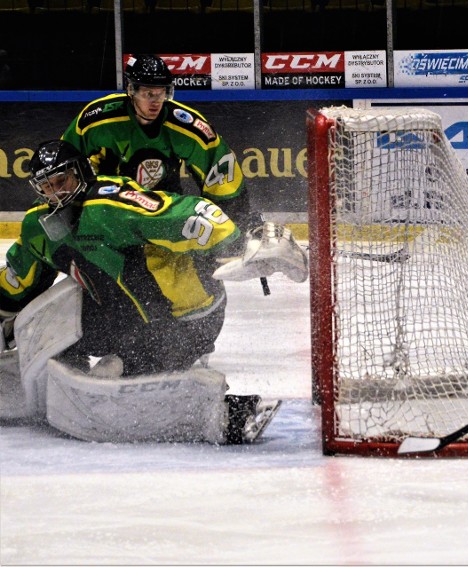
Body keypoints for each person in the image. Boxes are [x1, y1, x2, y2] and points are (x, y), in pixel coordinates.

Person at [0, 140, 308, 444]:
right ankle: (111, 365)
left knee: (124, 379)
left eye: (62, 181)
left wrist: (244, 243)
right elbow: (17, 282)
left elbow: (187, 211)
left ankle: (229, 413)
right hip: (122, 315)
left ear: (81, 173)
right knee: (55, 330)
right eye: (47, 187)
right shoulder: (38, 227)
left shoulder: (112, 205)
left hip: (187, 317)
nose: (57, 194)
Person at [60, 54, 263, 251]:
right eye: (149, 94)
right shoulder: (97, 120)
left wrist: (238, 217)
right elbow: (63, 163)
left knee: (200, 279)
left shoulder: (188, 127)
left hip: (163, 211)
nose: (156, 101)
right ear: (131, 90)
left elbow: (221, 174)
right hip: (112, 213)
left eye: (162, 93)